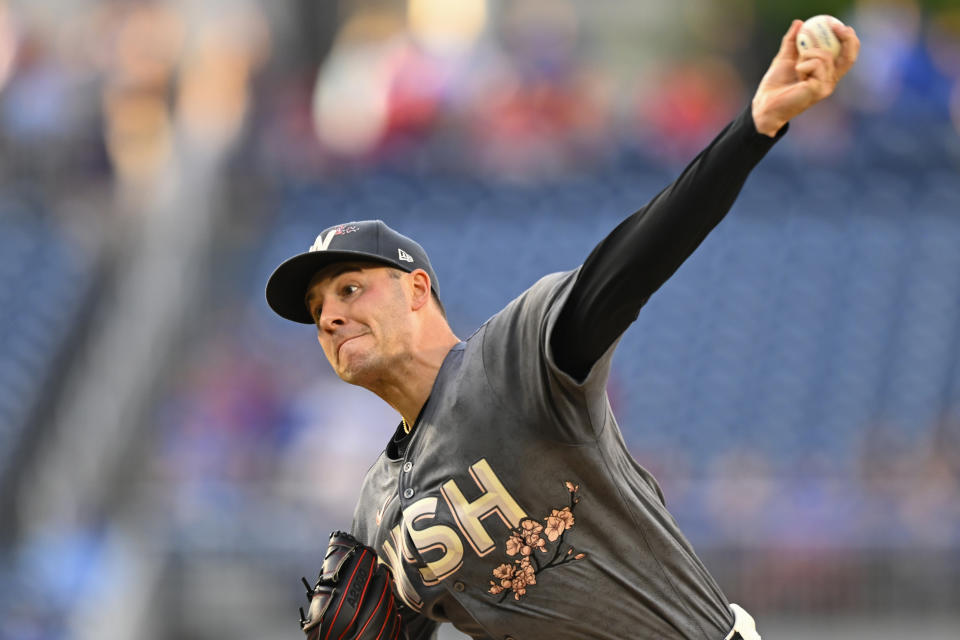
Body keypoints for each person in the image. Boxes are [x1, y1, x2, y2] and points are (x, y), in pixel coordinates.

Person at [266, 19, 859, 640]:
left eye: (350, 288)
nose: (330, 315)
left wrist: (753, 126)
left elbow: (640, 256)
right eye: (316, 309)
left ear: (417, 290)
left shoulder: (513, 361)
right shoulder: (375, 509)